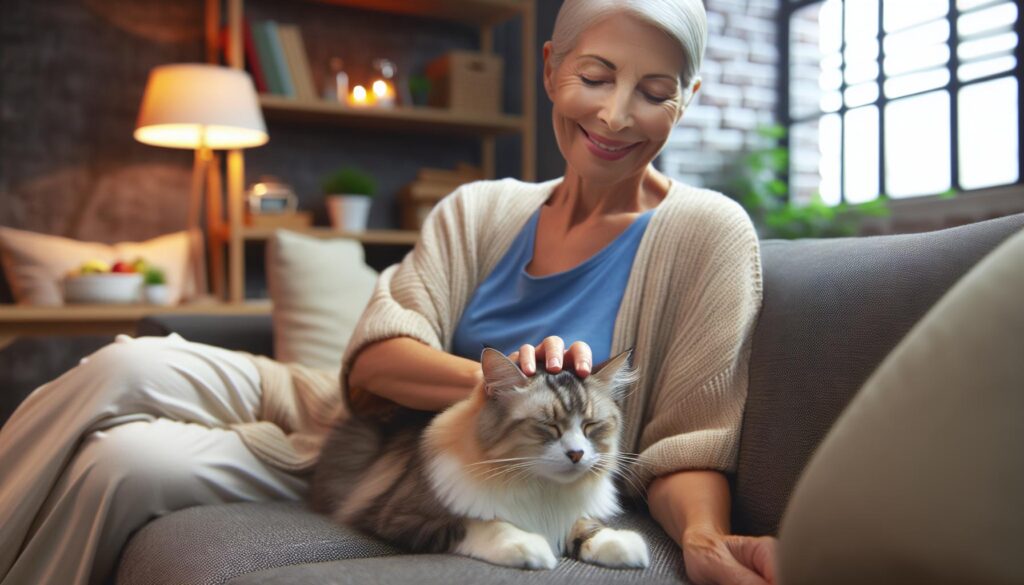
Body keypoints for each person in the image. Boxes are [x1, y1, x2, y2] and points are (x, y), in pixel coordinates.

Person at [0, 1, 775, 584]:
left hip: (388, 471)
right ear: (549, 69)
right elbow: (373, 362)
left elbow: (691, 436)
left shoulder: (707, 234)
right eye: (595, 77)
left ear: (690, 96)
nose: (615, 114)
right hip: (325, 411)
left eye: (654, 90)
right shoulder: (480, 207)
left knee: (121, 464)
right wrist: (502, 387)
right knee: (121, 365)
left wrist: (703, 542)